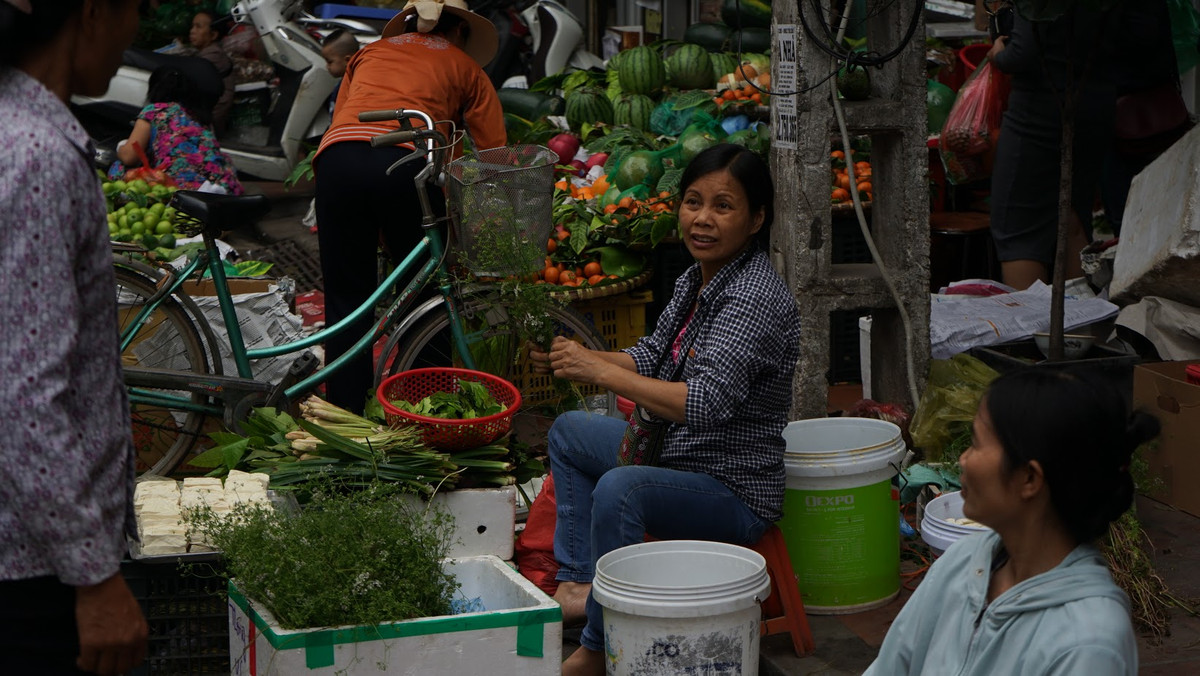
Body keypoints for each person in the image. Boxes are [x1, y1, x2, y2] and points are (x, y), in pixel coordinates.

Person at [528, 144, 802, 676]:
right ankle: (580, 584)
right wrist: (576, 358)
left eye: (723, 206)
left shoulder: (753, 297)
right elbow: (653, 354)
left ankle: (597, 647)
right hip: (677, 454)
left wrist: (600, 372)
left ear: (756, 219)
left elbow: (704, 403)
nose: (703, 219)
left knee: (621, 489)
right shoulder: (697, 278)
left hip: (730, 486)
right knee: (568, 433)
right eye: (693, 202)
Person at [0, 0, 149, 674]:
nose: (135, 33)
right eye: (136, 10)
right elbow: (22, 397)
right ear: (94, 10)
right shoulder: (36, 155)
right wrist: (94, 575)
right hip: (32, 571)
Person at [865, 367, 1158, 675]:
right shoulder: (962, 563)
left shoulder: (1087, 644)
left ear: (1029, 478)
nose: (963, 459)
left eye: (976, 443)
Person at [313, 0, 504, 413]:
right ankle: (424, 407)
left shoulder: (369, 53)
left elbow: (345, 118)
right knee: (426, 292)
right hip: (405, 165)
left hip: (336, 161)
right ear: (460, 31)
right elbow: (494, 154)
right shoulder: (466, 66)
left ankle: (345, 412)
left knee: (347, 297)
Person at [987, 10, 1119, 290]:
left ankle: (1035, 318)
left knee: (1019, 227)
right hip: (1095, 103)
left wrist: (999, 55)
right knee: (1071, 215)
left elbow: (1023, 52)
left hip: (1040, 108)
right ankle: (1078, 316)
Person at [110, 65, 244, 194]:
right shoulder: (199, 116)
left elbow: (129, 157)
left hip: (183, 188)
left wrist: (121, 147)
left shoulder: (154, 111)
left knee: (119, 168)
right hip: (225, 182)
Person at [188, 9, 234, 134]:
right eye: (193, 26)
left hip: (211, 119)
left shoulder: (213, 56)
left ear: (213, 35)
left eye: (198, 27)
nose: (192, 31)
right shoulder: (204, 53)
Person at [321, 28, 360, 116]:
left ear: (348, 60)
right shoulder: (342, 82)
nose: (327, 66)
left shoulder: (354, 87)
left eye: (330, 62)